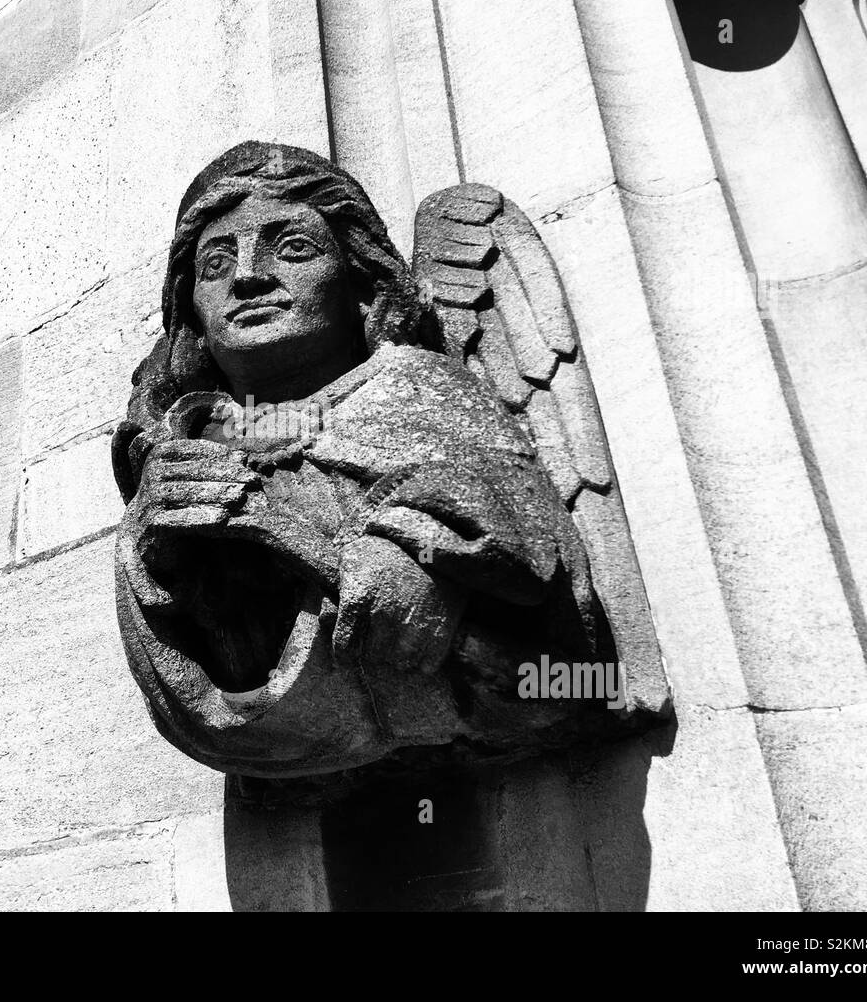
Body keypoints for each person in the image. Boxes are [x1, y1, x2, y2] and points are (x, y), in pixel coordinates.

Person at [112, 141, 610, 780]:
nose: (247, 276)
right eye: (214, 263)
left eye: (292, 249)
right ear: (193, 315)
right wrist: (162, 563)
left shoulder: (418, 389)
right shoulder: (191, 437)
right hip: (292, 748)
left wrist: (296, 533)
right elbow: (203, 674)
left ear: (362, 284)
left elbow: (546, 616)